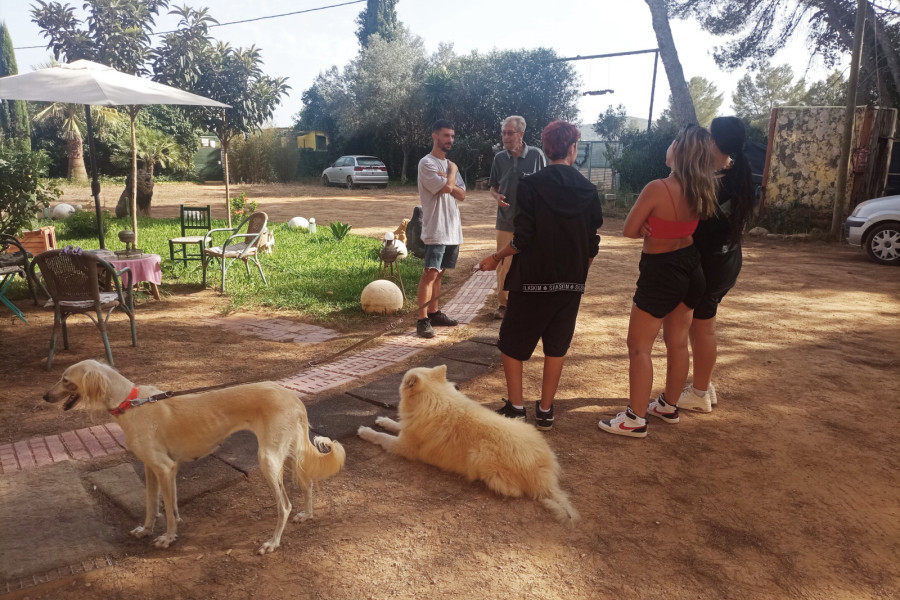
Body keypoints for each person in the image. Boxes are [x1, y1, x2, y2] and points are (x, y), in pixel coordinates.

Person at [478, 120, 603, 430]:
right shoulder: (589, 190)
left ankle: (517, 408)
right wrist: (579, 274)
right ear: (573, 148)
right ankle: (546, 411)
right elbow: (592, 243)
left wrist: (495, 258)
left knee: (510, 342)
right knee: (556, 346)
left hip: (531, 280)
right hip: (571, 283)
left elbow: (523, 239)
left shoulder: (531, 185)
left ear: (546, 149)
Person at [598, 124, 718, 438]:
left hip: (661, 271)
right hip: (692, 268)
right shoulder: (703, 187)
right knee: (678, 342)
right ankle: (668, 404)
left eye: (673, 141)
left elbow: (628, 228)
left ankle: (634, 419)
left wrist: (645, 227)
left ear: (678, 149)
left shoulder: (658, 188)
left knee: (639, 347)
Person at [675, 116, 756, 413]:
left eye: (708, 135)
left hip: (711, 265)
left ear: (715, 142)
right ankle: (703, 384)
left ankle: (698, 393)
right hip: (728, 261)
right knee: (702, 326)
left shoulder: (711, 183)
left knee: (702, 328)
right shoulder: (738, 174)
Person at [488, 115, 548, 320]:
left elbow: (545, 187)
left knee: (531, 261)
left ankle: (527, 302)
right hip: (505, 221)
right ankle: (504, 304)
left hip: (531, 223)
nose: (505, 136)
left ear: (521, 134)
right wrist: (497, 197)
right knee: (505, 263)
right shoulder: (499, 158)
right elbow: (492, 187)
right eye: (503, 132)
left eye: (510, 133)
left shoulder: (537, 156)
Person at [416, 119, 467, 338]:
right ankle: (422, 319)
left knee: (441, 273)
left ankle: (435, 312)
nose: (450, 140)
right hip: (436, 228)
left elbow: (462, 194)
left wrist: (449, 178)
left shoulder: (447, 167)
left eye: (453, 136)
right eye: (446, 136)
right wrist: (452, 171)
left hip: (452, 228)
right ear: (434, 136)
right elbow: (447, 188)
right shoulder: (426, 163)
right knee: (430, 272)